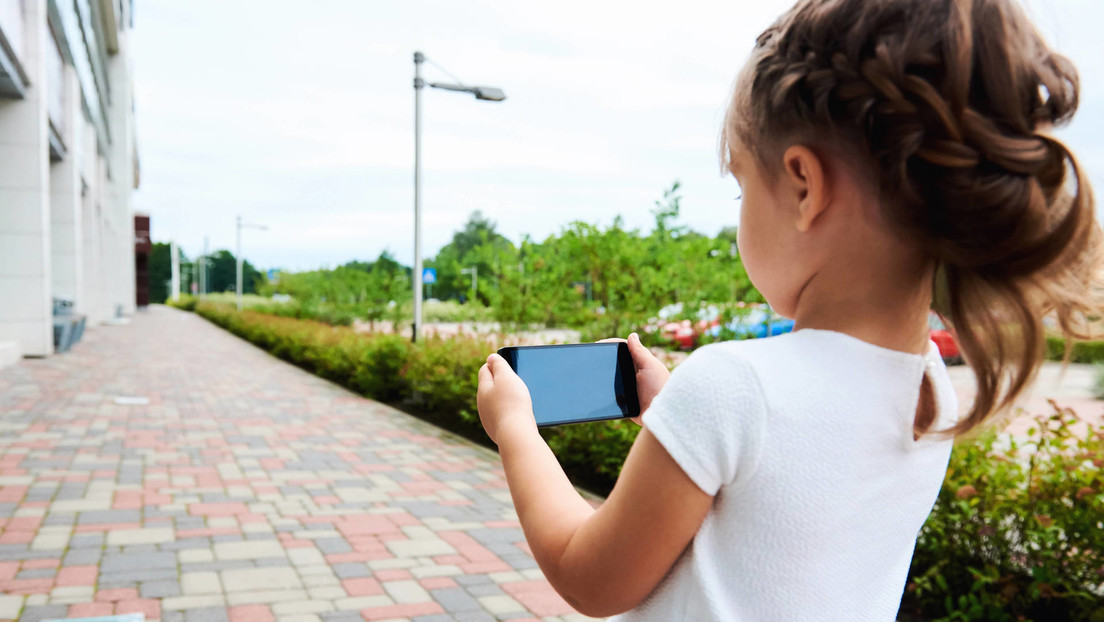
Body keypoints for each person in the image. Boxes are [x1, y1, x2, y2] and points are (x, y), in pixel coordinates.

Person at [476, 0, 1102, 619]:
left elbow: (590, 578)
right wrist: (677, 419)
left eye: (744, 185)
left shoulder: (732, 385)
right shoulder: (929, 391)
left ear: (804, 186)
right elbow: (787, 490)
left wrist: (517, 432)